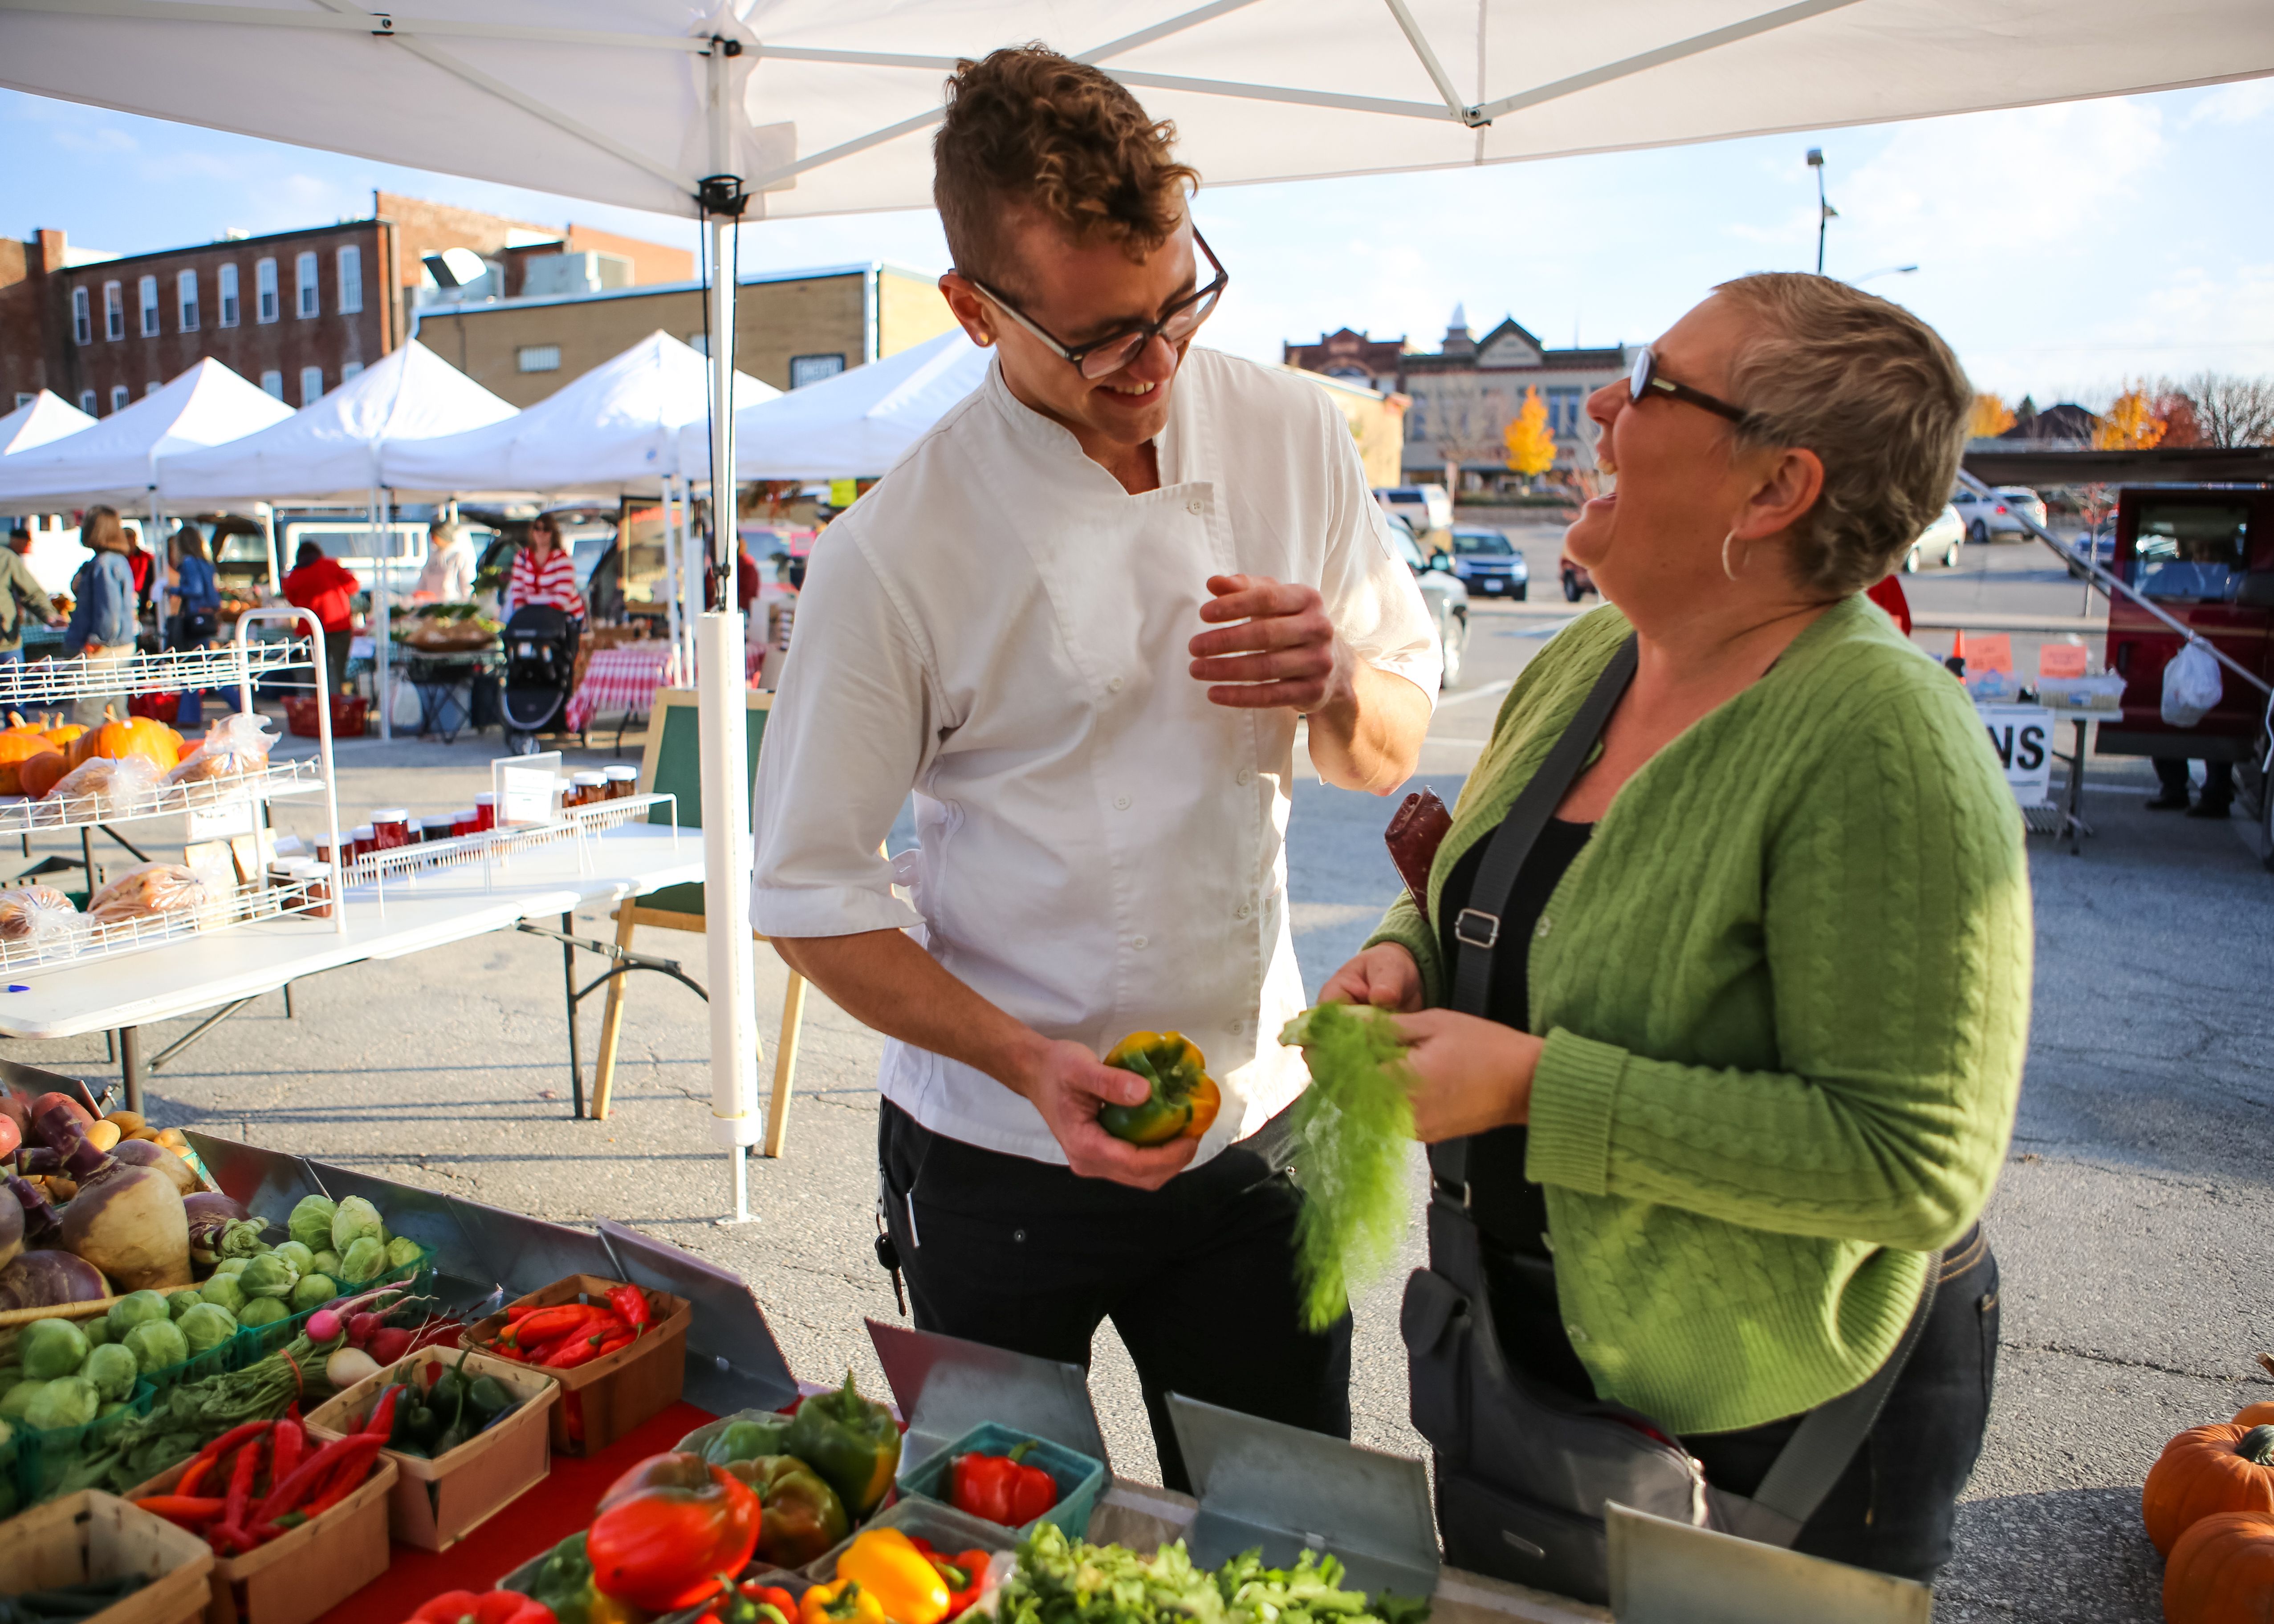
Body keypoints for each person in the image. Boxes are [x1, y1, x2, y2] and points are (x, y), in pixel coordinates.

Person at [753, 46, 1440, 1491]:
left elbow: (1389, 748)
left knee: (1279, 1521)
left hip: (1253, 1120)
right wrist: (1022, 1060)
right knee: (1011, 1533)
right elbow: (807, 892)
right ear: (970, 307)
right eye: (1104, 335)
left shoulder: (1291, 433)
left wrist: (1327, 678)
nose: (1158, 361)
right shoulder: (895, 548)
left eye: (1180, 300)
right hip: (1000, 1148)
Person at [1319, 274, 2029, 1584]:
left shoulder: (1882, 741)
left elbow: (1911, 1163)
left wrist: (1531, 1087)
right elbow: (1483, 893)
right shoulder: (1587, 659)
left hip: (1781, 1411)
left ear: (1773, 492)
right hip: (1533, 1351)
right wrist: (1404, 955)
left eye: (1651, 383)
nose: (1593, 403)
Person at [64, 506, 140, 723]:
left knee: (89, 712)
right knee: (116, 713)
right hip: (121, 645)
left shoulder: (104, 564)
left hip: (107, 648)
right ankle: (124, 756)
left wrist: (96, 640)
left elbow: (110, 611)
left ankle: (90, 757)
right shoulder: (115, 561)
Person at [283, 540, 358, 696]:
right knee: (341, 667)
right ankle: (342, 702)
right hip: (338, 625)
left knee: (315, 668)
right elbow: (353, 587)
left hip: (311, 629)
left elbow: (293, 601)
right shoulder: (330, 565)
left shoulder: (295, 575)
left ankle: (316, 703)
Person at [506, 513, 585, 622]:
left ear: (553, 534)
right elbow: (518, 590)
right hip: (533, 617)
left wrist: (545, 616)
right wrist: (523, 615)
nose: (541, 533)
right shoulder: (522, 557)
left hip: (564, 618)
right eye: (537, 528)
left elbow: (563, 595)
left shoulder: (562, 559)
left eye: (546, 529)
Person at [0, 526, 61, 666]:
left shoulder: (5, 558)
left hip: (6, 645)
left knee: (14, 687)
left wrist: (49, 615)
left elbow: (31, 593)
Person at [169, 523, 220, 652]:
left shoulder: (189, 562)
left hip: (194, 615)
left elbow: (195, 589)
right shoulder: (206, 563)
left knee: (192, 655)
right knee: (203, 652)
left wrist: (171, 590)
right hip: (208, 615)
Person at [414, 520, 477, 605]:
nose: (432, 540)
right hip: (432, 606)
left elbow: (466, 582)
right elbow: (424, 580)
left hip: (453, 605)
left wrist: (466, 603)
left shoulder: (458, 556)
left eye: (434, 536)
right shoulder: (434, 557)